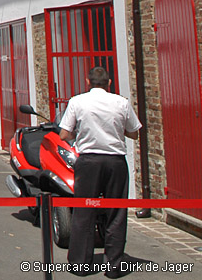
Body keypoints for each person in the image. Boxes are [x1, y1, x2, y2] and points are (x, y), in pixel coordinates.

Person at [58, 66, 141, 277]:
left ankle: (80, 263)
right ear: (109, 83)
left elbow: (64, 134)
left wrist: (80, 136)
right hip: (114, 160)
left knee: (84, 211)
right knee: (116, 211)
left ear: (88, 82)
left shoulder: (77, 101)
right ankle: (114, 264)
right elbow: (134, 133)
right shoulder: (121, 102)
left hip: (88, 160)